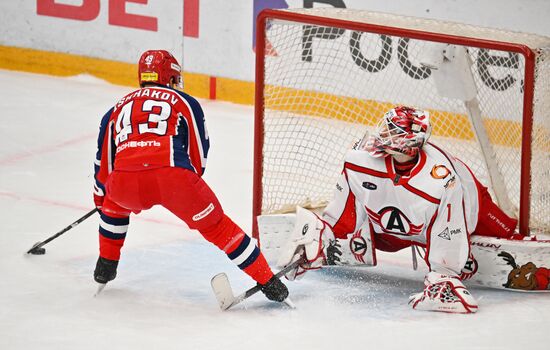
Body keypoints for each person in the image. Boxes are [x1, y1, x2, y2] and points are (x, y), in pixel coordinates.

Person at [278, 106, 518, 314]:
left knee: (506, 232)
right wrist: (321, 239)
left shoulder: (441, 180)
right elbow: (342, 214)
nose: (382, 133)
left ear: (408, 142)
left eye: (392, 130)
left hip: (469, 202)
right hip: (395, 229)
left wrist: (443, 275)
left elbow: (449, 231)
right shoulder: (359, 160)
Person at [93, 49, 288, 303]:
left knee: (113, 205)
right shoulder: (184, 102)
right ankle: (269, 282)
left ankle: (105, 267)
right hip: (175, 181)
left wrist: (102, 202)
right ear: (170, 77)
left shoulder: (115, 109)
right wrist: (187, 187)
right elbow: (199, 153)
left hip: (124, 183)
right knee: (219, 227)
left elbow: (103, 167)